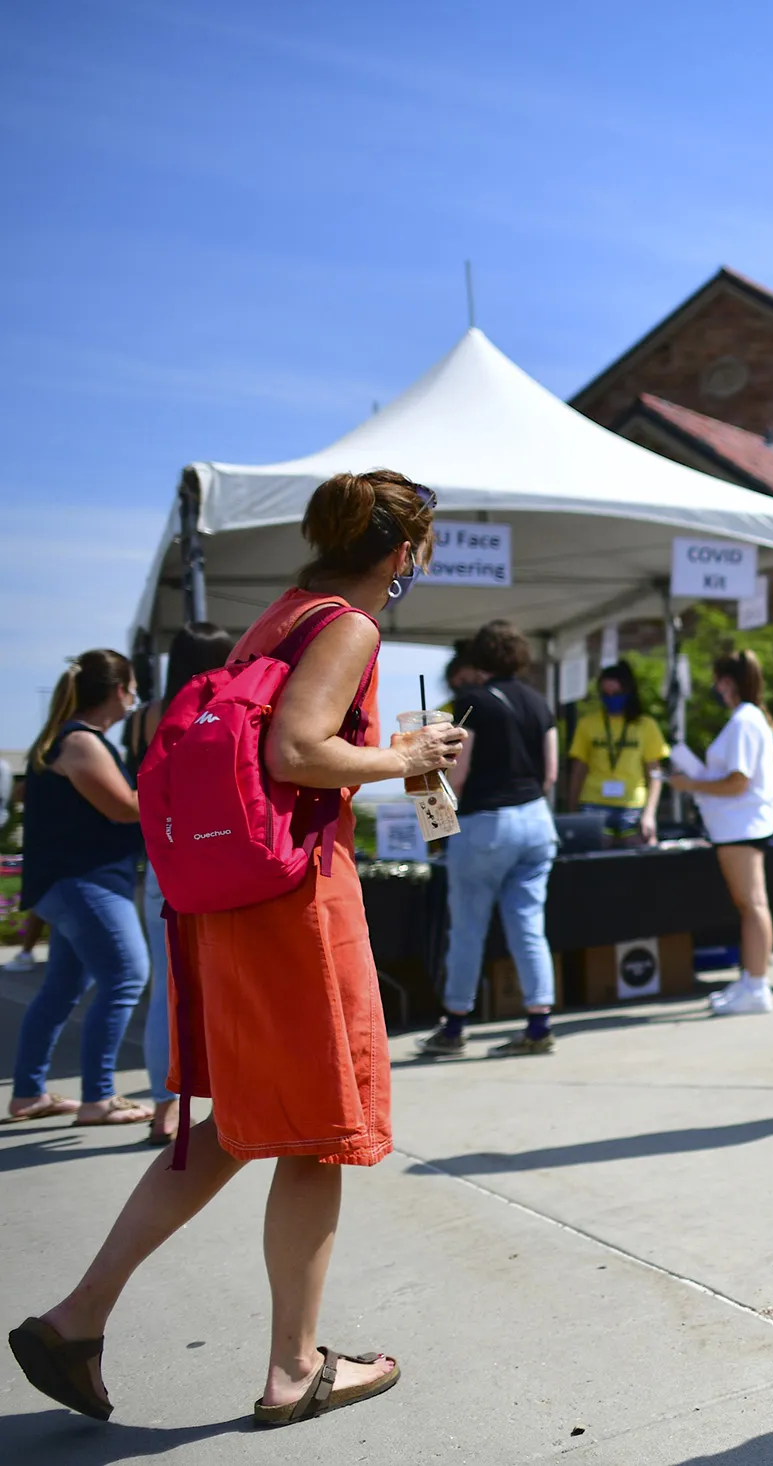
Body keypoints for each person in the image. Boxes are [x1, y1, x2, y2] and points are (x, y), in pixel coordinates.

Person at [9, 469, 464, 1427]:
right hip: (296, 897)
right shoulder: (349, 624)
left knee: (232, 1126)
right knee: (317, 1130)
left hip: (232, 895)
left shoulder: (283, 616)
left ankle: (77, 1316)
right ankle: (296, 1370)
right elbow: (298, 751)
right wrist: (409, 759)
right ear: (401, 552)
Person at [6, 651, 152, 1128]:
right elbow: (124, 808)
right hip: (85, 882)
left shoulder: (67, 739)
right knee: (127, 976)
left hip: (71, 883)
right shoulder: (83, 742)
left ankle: (28, 1094)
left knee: (64, 986)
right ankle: (99, 1099)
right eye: (131, 688)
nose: (134, 698)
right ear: (118, 691)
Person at [417, 620, 561, 1059]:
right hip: (537, 820)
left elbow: (455, 778)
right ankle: (538, 1024)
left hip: (486, 825)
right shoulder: (539, 703)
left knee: (468, 929)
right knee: (528, 926)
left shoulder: (472, 703)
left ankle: (455, 1025)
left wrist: (433, 820)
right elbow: (550, 774)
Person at [123, 622, 237, 1145]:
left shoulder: (146, 716)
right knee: (222, 978)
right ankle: (226, 1092)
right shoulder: (223, 703)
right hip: (214, 856)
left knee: (165, 991)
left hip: (160, 861)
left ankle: (165, 1105)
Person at [668, 650, 773, 1018]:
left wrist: (691, 784)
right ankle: (751, 979)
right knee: (750, 905)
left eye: (718, 681)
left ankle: (757, 984)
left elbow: (738, 781)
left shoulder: (745, 721)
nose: (715, 688)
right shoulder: (747, 719)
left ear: (727, 682)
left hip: (741, 825)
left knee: (752, 905)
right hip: (738, 825)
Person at [564, 661, 667, 845]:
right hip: (594, 801)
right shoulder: (588, 724)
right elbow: (578, 769)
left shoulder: (645, 725)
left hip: (632, 804)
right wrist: (572, 809)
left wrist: (650, 813)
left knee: (638, 854)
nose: (611, 698)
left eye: (616, 693)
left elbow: (655, 773)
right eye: (606, 694)